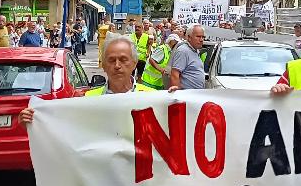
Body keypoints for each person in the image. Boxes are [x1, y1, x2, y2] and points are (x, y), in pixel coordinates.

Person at [19, 35, 155, 127]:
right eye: (111, 60)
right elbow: (63, 131)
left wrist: (175, 102)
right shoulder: (86, 99)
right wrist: (34, 122)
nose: (117, 65)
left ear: (134, 63)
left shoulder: (153, 97)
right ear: (104, 65)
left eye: (123, 60)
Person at [167, 25, 206, 91]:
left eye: (203, 37)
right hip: (187, 96)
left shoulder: (195, 50)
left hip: (194, 95)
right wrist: (178, 95)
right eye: (198, 36)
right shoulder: (183, 51)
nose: (201, 40)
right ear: (189, 37)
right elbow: (174, 75)